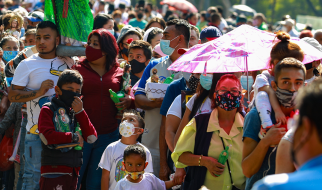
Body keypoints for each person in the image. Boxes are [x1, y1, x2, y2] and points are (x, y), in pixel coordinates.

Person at [8, 21, 74, 190]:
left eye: (47, 37)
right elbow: (13, 96)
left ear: (57, 39)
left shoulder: (69, 63)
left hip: (63, 134)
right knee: (32, 179)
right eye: (38, 38)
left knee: (58, 181)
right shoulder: (27, 64)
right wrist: (38, 93)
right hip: (35, 133)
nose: (41, 42)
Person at [73, 29, 132, 190]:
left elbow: (128, 94)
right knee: (75, 180)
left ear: (106, 50)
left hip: (108, 135)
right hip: (81, 134)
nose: (89, 46)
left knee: (95, 183)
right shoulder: (77, 68)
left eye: (95, 44)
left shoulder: (120, 71)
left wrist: (128, 100)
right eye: (89, 43)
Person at [242, 37, 303, 190]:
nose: (292, 89)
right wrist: (266, 141)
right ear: (274, 84)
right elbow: (247, 170)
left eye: (298, 83)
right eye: (286, 82)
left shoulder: (306, 118)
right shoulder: (257, 116)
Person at [253, 75, 322, 189]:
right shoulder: (254, 116)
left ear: (306, 128)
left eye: (294, 124)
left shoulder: (273, 186)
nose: (292, 89)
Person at [134, 19, 190, 180]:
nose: (162, 39)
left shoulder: (194, 67)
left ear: (179, 38)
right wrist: (157, 103)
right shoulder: (154, 65)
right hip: (152, 143)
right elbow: (138, 98)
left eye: (166, 35)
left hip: (182, 145)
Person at [172, 74, 245, 190]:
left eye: (234, 91)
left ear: (241, 97)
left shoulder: (247, 126)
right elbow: (179, 156)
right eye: (223, 90)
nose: (228, 94)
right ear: (215, 95)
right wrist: (204, 161)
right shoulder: (198, 123)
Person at [37, 69, 97, 190]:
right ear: (57, 90)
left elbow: (92, 137)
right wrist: (73, 137)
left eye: (77, 91)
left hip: (73, 172)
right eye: (69, 90)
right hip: (53, 172)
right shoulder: (48, 109)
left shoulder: (76, 113)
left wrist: (80, 112)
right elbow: (47, 137)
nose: (74, 94)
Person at [99, 110, 153, 190]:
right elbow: (105, 177)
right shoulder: (111, 148)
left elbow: (148, 178)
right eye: (123, 120)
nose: (125, 122)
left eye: (131, 120)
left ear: (139, 130)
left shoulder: (145, 151)